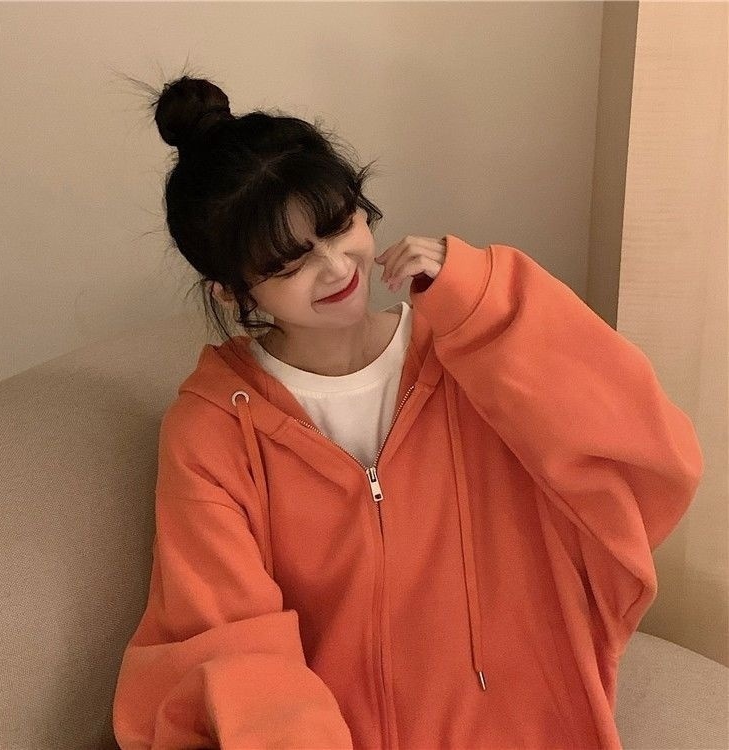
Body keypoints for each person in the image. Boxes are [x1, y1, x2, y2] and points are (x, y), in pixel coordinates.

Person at [112, 74, 704, 749]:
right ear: (231, 292)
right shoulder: (212, 431)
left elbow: (647, 451)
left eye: (340, 225)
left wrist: (485, 301)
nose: (336, 267)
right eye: (289, 263)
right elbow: (231, 644)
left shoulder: (466, 351)